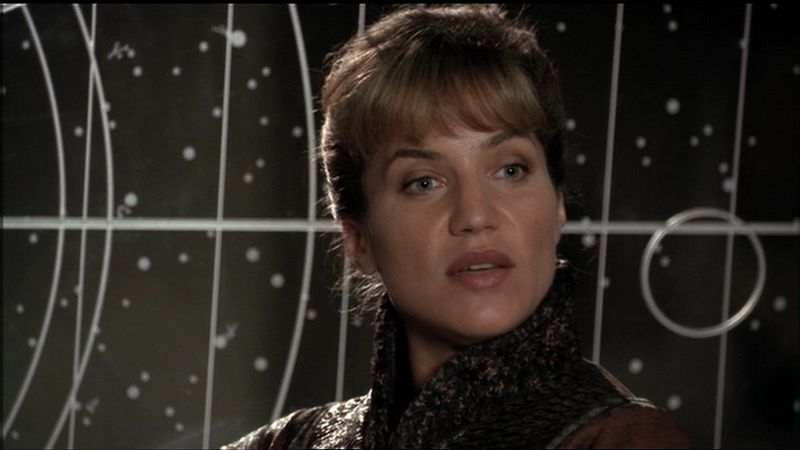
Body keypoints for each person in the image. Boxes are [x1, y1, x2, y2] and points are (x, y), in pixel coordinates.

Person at [224, 5, 692, 448]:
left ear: (557, 207)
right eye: (423, 182)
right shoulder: (295, 441)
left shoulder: (622, 438)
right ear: (358, 238)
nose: (475, 216)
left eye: (510, 170)